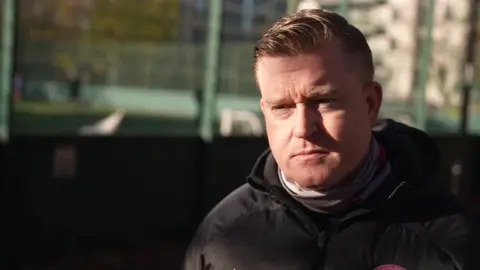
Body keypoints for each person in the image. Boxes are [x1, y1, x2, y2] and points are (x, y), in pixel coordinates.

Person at [183, 9, 480, 270]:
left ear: (369, 103)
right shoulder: (223, 237)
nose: (302, 128)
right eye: (282, 108)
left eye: (323, 101)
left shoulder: (453, 241)